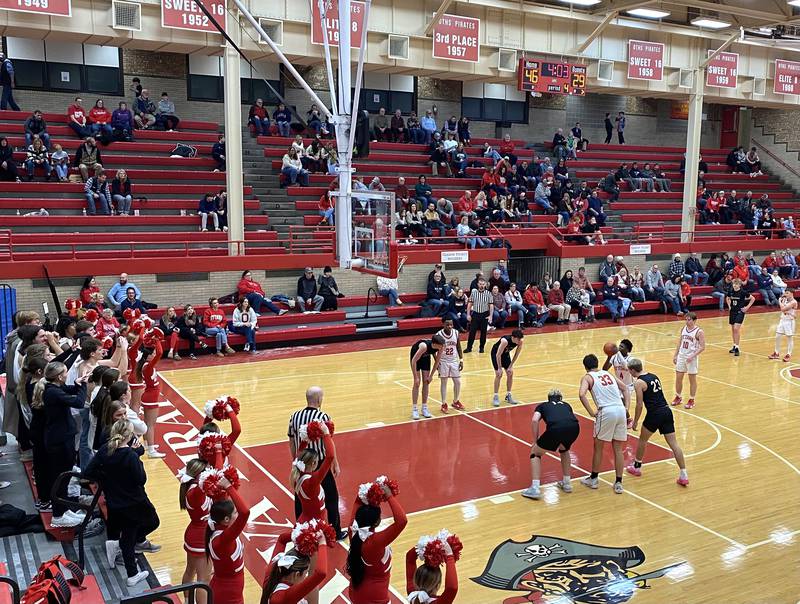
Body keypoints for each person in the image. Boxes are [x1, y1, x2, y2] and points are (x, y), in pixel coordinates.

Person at [84, 419, 160, 586]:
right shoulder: (130, 456)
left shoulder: (105, 450)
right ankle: (132, 574)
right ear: (130, 436)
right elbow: (141, 479)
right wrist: (137, 459)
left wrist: (105, 478)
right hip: (133, 502)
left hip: (114, 501)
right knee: (150, 523)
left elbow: (88, 472)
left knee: (128, 534)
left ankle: (117, 545)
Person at [38, 361, 90, 527]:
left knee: (64, 478)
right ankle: (58, 516)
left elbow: (70, 390)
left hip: (61, 439)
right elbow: (79, 402)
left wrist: (78, 383)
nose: (68, 374)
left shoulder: (53, 388)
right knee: (60, 478)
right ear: (60, 376)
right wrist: (84, 386)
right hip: (59, 441)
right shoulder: (53, 392)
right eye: (66, 372)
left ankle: (64, 509)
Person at [288, 386, 344, 538]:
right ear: (319, 400)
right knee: (332, 498)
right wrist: (335, 464)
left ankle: (300, 531)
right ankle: (335, 532)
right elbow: (329, 444)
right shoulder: (324, 417)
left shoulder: (294, 416)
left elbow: (292, 441)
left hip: (301, 463)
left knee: (300, 499)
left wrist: (296, 461)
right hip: (318, 464)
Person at [626, 359, 689, 487]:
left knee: (643, 440)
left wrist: (636, 421)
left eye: (629, 370)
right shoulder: (654, 376)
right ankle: (684, 474)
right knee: (674, 444)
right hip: (666, 411)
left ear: (632, 370)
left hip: (654, 413)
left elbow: (639, 405)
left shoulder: (639, 382)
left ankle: (637, 467)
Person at [346, 483, 407, 603]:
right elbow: (402, 521)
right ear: (377, 522)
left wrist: (370, 492)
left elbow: (357, 502)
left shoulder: (353, 532)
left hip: (355, 591)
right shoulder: (375, 543)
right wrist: (389, 496)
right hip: (375, 599)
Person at [578, 354, 630, 494]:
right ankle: (618, 482)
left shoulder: (588, 377)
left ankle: (594, 479)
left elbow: (582, 394)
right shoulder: (607, 373)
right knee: (618, 449)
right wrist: (626, 408)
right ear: (597, 363)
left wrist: (590, 412)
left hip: (606, 411)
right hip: (620, 410)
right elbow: (625, 388)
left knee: (599, 447)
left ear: (585, 366)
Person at [521, 389, 580, 500]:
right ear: (561, 398)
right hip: (575, 428)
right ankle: (567, 483)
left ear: (548, 398)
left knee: (535, 453)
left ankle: (535, 488)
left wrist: (535, 441)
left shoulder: (542, 406)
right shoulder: (567, 404)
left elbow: (534, 420)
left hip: (556, 428)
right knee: (564, 449)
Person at [206, 481, 251, 604]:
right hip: (227, 594)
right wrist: (229, 487)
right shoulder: (224, 538)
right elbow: (245, 513)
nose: (237, 514)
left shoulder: (220, 528)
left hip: (229, 589)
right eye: (235, 513)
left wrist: (223, 484)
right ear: (226, 519)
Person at [260, 528, 328, 604]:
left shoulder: (271, 574)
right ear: (297, 574)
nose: (306, 577)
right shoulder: (284, 597)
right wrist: (322, 543)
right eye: (305, 574)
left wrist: (305, 535)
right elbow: (321, 573)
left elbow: (282, 539)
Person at [405, 537, 458, 604]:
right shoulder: (438, 602)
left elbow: (409, 558)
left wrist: (424, 545)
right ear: (438, 585)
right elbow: (452, 588)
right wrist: (450, 555)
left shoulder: (412, 595)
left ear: (415, 581)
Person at [671, 312, 706, 410]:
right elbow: (680, 343)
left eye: (689, 319)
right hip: (682, 356)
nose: (687, 321)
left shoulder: (699, 332)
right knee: (678, 377)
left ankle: (692, 399)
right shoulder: (683, 329)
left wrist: (692, 355)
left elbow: (702, 347)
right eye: (686, 319)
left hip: (692, 358)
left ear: (694, 320)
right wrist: (675, 355)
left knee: (692, 380)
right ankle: (678, 396)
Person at [430, 318, 464, 414]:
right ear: (443, 325)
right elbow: (433, 350)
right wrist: (436, 361)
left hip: (454, 360)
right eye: (447, 325)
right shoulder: (439, 335)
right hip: (443, 361)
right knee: (444, 382)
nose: (449, 326)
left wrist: (461, 360)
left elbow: (459, 347)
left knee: (457, 382)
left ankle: (456, 401)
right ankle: (444, 403)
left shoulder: (456, 333)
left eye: (451, 325)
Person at [409, 335, 444, 420]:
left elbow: (437, 362)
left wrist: (431, 376)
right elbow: (413, 361)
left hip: (425, 357)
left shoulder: (441, 347)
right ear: (435, 344)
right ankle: (414, 409)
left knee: (426, 382)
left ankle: (424, 407)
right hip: (416, 358)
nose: (443, 347)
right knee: (417, 383)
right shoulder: (423, 346)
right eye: (441, 345)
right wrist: (415, 377)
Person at [491, 329, 524, 408]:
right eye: (518, 339)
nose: (519, 341)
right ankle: (495, 396)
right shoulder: (505, 341)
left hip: (505, 354)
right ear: (513, 337)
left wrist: (510, 366)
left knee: (510, 373)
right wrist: (499, 368)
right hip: (496, 354)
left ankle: (508, 395)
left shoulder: (520, 342)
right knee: (499, 375)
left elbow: (516, 354)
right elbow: (498, 355)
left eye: (520, 339)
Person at [726, 278, 755, 357]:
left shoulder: (743, 292)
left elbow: (753, 298)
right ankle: (734, 345)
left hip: (740, 312)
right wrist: (729, 306)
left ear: (739, 285)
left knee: (736, 329)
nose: (735, 285)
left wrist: (747, 308)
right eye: (734, 284)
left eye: (736, 284)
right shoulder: (731, 291)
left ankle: (737, 348)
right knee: (733, 330)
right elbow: (727, 298)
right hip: (732, 312)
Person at [465, 278, 494, 354]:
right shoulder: (474, 293)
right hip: (475, 314)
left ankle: (481, 347)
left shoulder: (488, 293)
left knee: (483, 332)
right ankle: (469, 348)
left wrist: (491, 316)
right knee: (472, 332)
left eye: (483, 284)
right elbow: (469, 304)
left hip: (484, 314)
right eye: (480, 284)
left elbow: (491, 305)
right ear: (478, 284)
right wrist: (468, 314)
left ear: (485, 285)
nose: (481, 285)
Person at [770, 289, 797, 362]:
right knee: (777, 336)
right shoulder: (785, 300)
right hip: (782, 320)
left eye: (787, 293)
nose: (785, 294)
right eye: (785, 293)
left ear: (791, 293)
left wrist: (779, 301)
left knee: (789, 338)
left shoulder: (794, 302)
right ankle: (776, 353)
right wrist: (782, 301)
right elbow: (783, 309)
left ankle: (788, 354)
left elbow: (782, 309)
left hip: (789, 322)